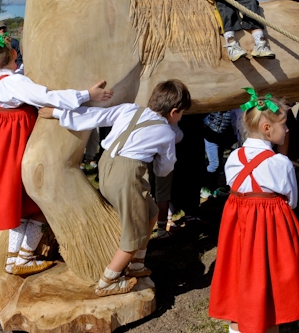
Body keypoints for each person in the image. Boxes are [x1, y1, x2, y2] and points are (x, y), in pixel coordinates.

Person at [0, 33, 113, 275]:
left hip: (3, 139)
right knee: (36, 200)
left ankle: (12, 258)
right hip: (18, 137)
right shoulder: (15, 83)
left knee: (17, 201)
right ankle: (25, 256)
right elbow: (48, 97)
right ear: (14, 55)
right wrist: (86, 95)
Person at [42, 80, 189, 296]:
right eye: (181, 114)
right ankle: (108, 281)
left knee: (151, 211)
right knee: (133, 233)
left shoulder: (129, 109)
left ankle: (137, 264)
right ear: (175, 112)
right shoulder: (166, 133)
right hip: (127, 176)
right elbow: (163, 169)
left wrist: (58, 113)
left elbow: (93, 117)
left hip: (106, 166)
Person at [208, 89, 299, 332]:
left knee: (240, 272)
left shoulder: (234, 158)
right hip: (269, 228)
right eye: (284, 124)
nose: (288, 129)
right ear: (268, 129)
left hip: (237, 226)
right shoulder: (280, 163)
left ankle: (239, 323)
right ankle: (267, 319)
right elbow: (290, 200)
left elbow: (236, 187)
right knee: (268, 276)